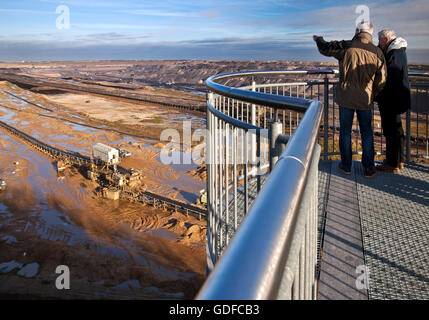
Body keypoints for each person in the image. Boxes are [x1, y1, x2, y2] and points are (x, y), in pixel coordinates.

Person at [313, 21, 386, 178]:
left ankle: (346, 165)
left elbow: (325, 49)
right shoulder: (377, 52)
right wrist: (372, 94)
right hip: (365, 99)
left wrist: (318, 39)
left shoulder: (347, 46)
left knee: (345, 132)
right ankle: (369, 168)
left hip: (346, 97)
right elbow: (382, 80)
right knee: (367, 133)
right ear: (370, 33)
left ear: (358, 30)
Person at [375, 29, 411, 173]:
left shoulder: (394, 54)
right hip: (398, 97)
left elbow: (391, 78)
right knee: (397, 129)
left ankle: (392, 163)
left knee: (390, 131)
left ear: (387, 39)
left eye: (380, 40)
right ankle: (400, 160)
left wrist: (380, 94)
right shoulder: (398, 51)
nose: (379, 42)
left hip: (391, 98)